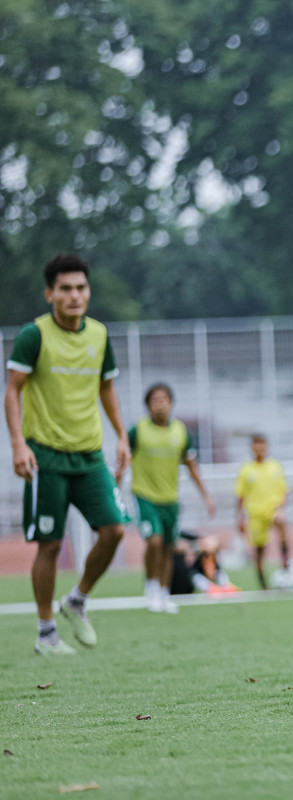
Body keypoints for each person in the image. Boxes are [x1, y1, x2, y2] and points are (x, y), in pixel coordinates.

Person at [4, 254, 132, 655]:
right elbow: (12, 390)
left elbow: (106, 388)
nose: (74, 295)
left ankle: (76, 600)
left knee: (113, 531)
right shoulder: (34, 336)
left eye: (80, 288)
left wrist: (122, 438)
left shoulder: (99, 336)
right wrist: (18, 444)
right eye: (65, 289)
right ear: (50, 294)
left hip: (90, 455)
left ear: (88, 292)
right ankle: (46, 633)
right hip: (47, 458)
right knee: (51, 545)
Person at [129, 382, 217, 613]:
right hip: (145, 495)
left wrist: (206, 496)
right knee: (154, 541)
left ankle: (164, 593)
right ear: (148, 405)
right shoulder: (137, 431)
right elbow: (123, 460)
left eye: (164, 400)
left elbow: (191, 466)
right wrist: (114, 489)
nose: (160, 405)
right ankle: (151, 586)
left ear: (171, 403)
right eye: (155, 400)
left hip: (170, 498)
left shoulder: (180, 432)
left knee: (168, 547)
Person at [233, 433, 289, 589]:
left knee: (281, 521)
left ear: (267, 447)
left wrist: (281, 506)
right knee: (259, 551)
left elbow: (284, 489)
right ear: (252, 447)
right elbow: (240, 496)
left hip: (273, 510)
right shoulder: (245, 469)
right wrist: (239, 518)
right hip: (255, 514)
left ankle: (286, 563)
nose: (259, 448)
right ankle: (262, 583)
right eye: (256, 444)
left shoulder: (275, 466)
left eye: (262, 444)